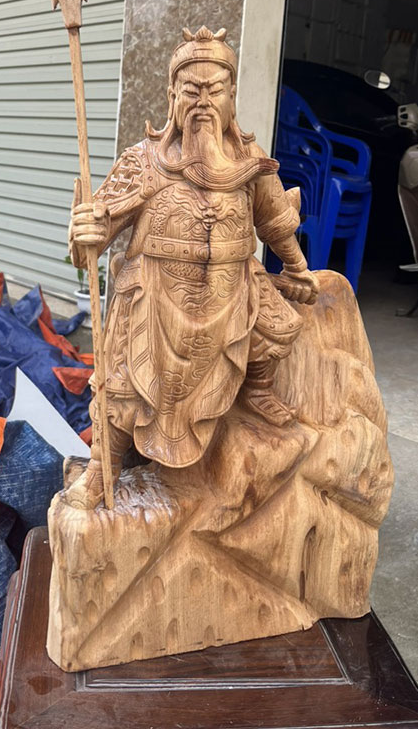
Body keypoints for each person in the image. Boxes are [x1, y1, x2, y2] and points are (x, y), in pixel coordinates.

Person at [67, 26, 318, 507]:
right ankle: (102, 470)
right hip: (156, 295)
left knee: (280, 327)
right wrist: (86, 230)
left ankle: (257, 389)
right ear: (172, 96)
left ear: (231, 97)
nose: (203, 102)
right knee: (121, 381)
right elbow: (93, 241)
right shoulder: (143, 161)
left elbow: (274, 222)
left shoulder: (250, 161)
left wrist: (297, 267)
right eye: (191, 90)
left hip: (232, 289)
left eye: (214, 90)